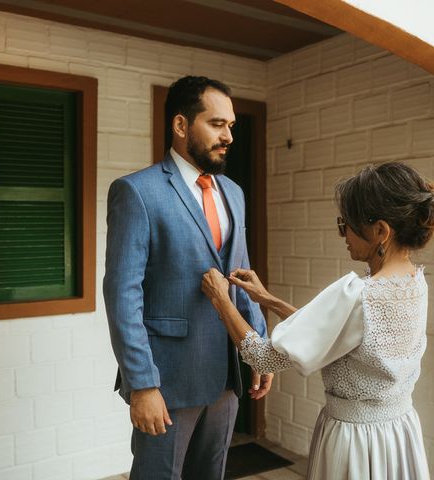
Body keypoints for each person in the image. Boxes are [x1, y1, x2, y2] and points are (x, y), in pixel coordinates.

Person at [202, 161, 434, 480]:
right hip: (398, 432)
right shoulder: (415, 284)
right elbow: (337, 336)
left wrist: (221, 300)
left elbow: (265, 357)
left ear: (380, 231)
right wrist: (267, 299)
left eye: (346, 223)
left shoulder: (357, 295)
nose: (343, 233)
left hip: (355, 442)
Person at [103, 75, 272, 479]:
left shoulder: (233, 192)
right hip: (167, 381)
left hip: (226, 376)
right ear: (181, 126)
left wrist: (260, 348)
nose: (228, 135)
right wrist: (142, 385)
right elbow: (123, 294)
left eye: (231, 125)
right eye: (216, 124)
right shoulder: (136, 191)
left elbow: (241, 278)